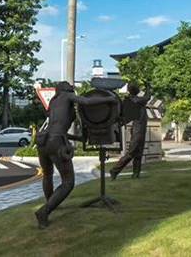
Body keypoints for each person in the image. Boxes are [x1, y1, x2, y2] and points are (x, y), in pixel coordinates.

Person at [35, 81, 115, 228]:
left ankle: (50, 204)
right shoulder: (67, 96)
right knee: (68, 182)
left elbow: (58, 129)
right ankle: (44, 212)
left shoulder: (54, 101)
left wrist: (78, 139)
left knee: (47, 174)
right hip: (56, 141)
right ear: (66, 89)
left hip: (43, 141)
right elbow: (88, 101)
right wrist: (108, 99)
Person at [109, 83, 151, 180]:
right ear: (134, 90)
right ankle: (114, 170)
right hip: (138, 129)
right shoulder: (135, 100)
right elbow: (147, 97)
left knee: (138, 152)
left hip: (140, 128)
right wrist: (148, 87)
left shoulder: (134, 99)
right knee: (132, 152)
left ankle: (136, 173)